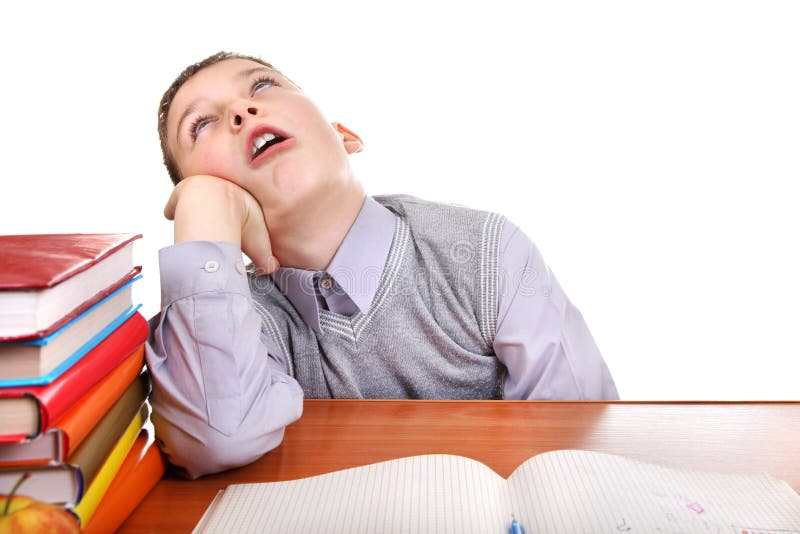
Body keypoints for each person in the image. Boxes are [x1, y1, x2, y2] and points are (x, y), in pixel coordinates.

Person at [145, 51, 619, 479]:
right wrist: (206, 212)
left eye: (262, 86)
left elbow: (580, 445)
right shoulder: (236, 320)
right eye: (200, 125)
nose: (242, 111)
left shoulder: (488, 252)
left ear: (344, 136)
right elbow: (216, 437)